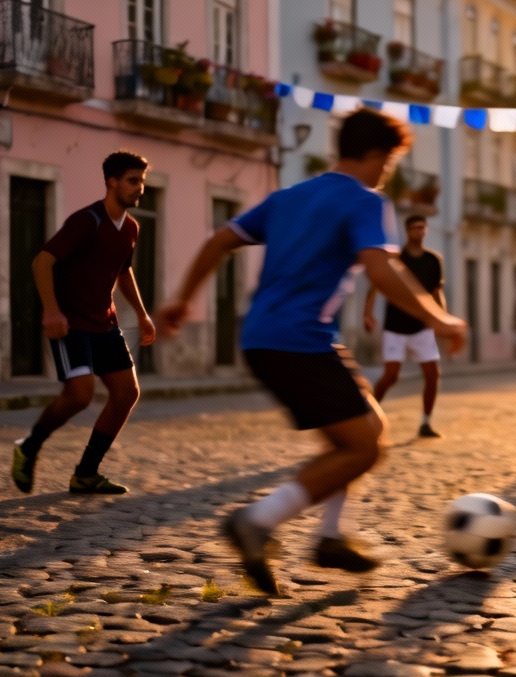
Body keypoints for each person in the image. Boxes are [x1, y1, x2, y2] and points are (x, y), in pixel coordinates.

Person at [155, 109, 466, 595]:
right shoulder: (364, 200)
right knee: (366, 446)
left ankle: (329, 537)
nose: (388, 171)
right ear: (377, 155)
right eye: (389, 161)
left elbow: (219, 240)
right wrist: (440, 318)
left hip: (263, 337)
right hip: (298, 339)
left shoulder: (287, 197)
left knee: (363, 430)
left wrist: (182, 298)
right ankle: (257, 521)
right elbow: (383, 272)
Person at [11, 151, 155, 496]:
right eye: (133, 181)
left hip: (104, 322)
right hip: (71, 322)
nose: (140, 189)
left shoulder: (130, 228)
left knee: (126, 393)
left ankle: (86, 474)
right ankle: (28, 447)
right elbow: (42, 262)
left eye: (143, 182)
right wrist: (51, 311)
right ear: (112, 182)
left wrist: (142, 313)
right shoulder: (86, 221)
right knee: (79, 395)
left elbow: (123, 270)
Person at [363, 214, 446, 438]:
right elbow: (376, 286)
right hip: (395, 326)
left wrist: (443, 320)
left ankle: (426, 423)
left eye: (421, 228)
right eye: (413, 228)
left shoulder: (433, 260)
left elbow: (436, 292)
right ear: (407, 231)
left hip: (422, 327)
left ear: (426, 230)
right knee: (391, 376)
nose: (417, 232)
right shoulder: (396, 260)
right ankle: (367, 416)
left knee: (432, 374)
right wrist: (368, 313)